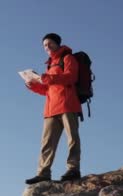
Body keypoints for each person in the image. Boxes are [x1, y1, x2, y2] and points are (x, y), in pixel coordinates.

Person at [25, 33, 83, 185]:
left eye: (49, 43)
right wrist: (33, 85)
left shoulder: (68, 58)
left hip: (68, 105)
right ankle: (43, 173)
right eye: (44, 45)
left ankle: (73, 169)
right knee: (47, 143)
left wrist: (47, 78)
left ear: (57, 44)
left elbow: (71, 77)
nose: (47, 47)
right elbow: (48, 90)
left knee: (72, 139)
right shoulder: (50, 65)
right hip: (51, 109)